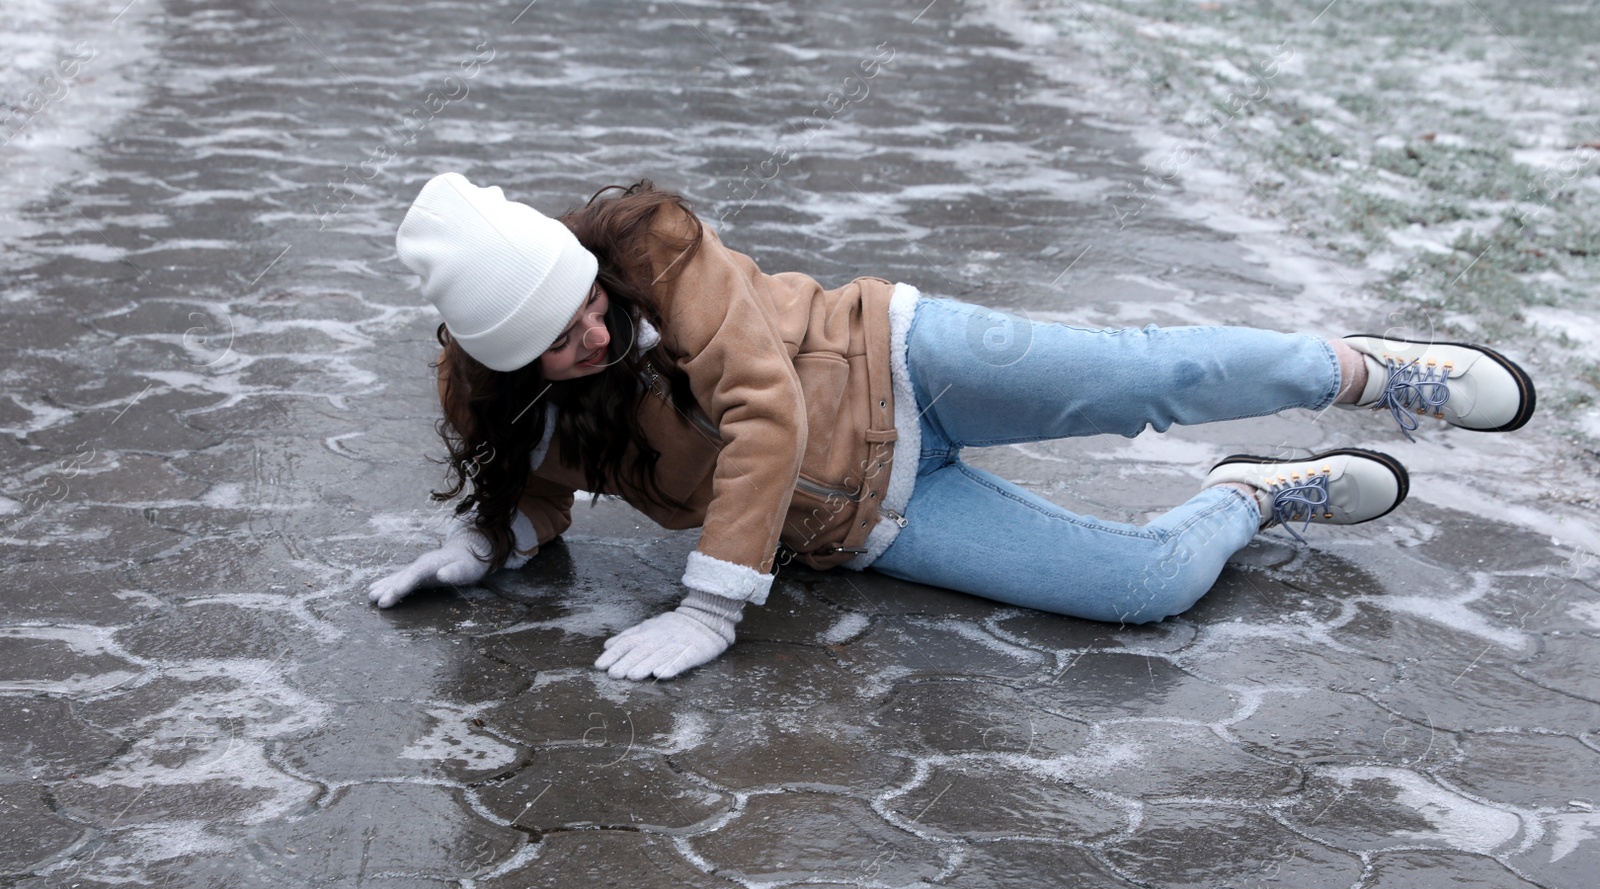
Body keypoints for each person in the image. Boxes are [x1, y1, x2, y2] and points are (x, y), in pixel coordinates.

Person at [368, 173, 1536, 680]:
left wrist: (712, 602)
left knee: (1129, 382)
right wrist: (483, 545)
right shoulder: (495, 392)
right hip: (862, 515)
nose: (586, 329)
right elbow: (534, 489)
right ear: (503, 356)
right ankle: (1254, 494)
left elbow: (765, 409)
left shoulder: (654, 247)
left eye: (580, 297)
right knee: (1135, 591)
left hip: (900, 356)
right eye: (552, 338)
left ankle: (1365, 371)